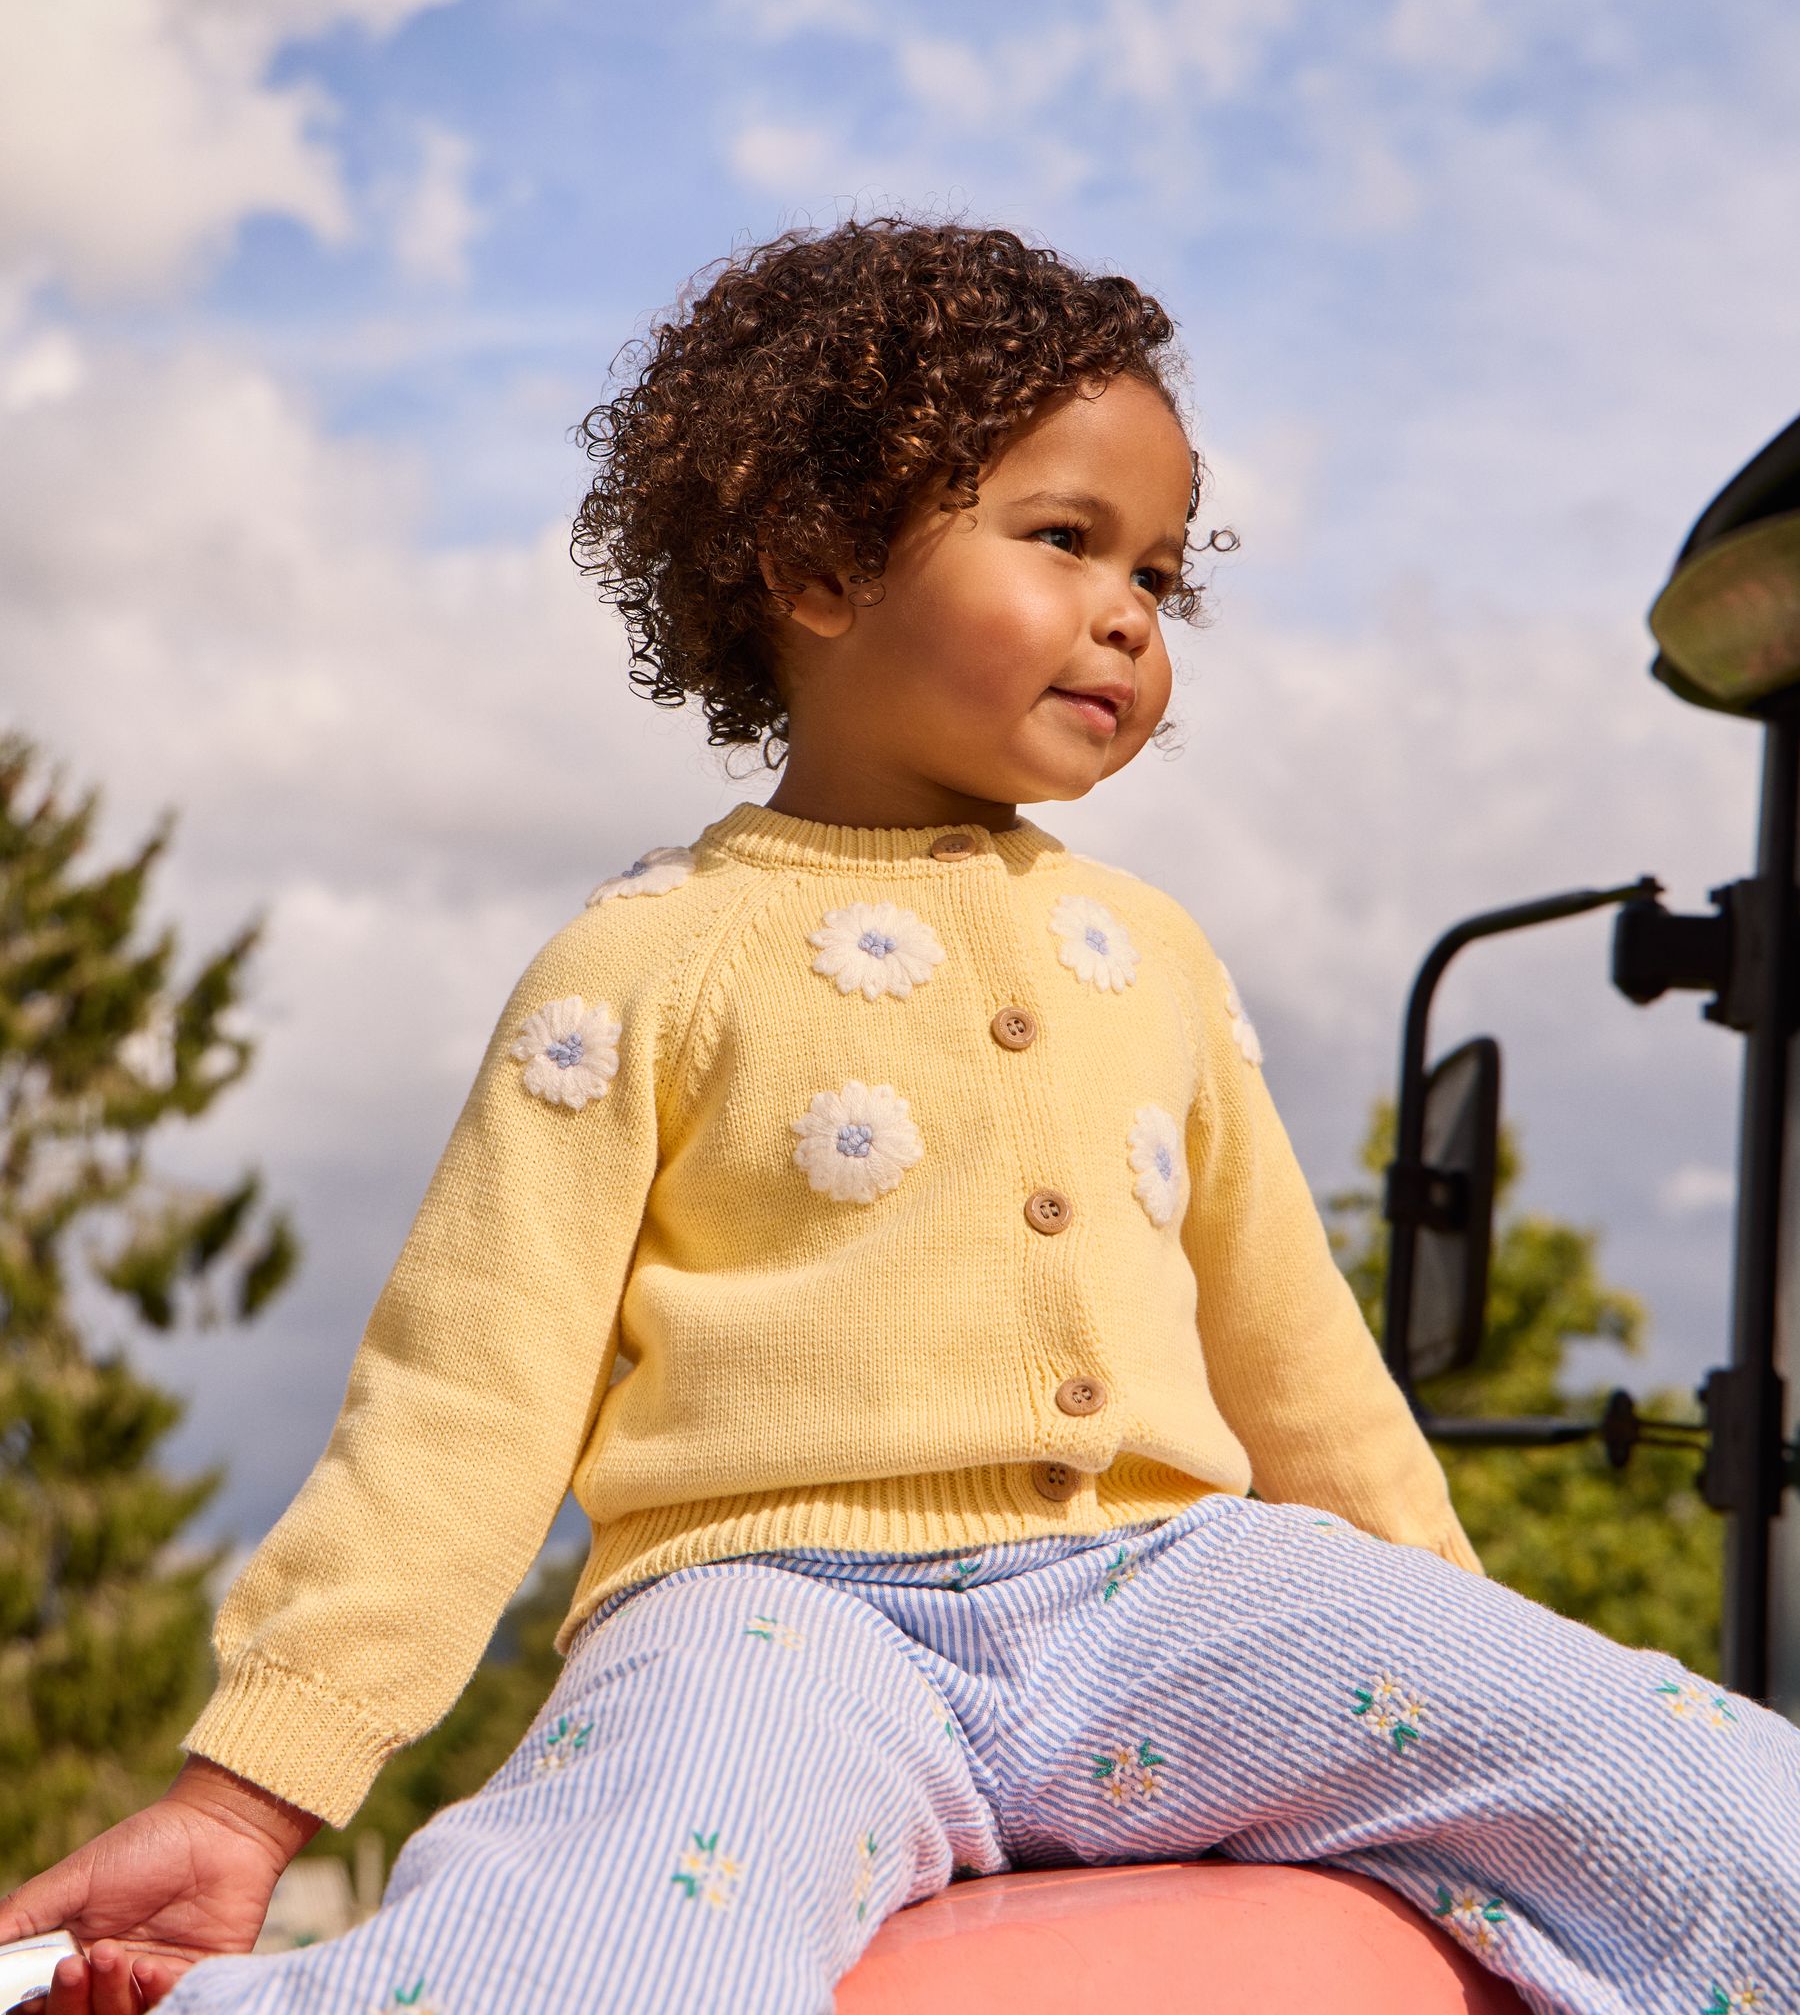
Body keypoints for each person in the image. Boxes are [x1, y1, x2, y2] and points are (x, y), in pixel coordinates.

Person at [3, 219, 1793, 2015]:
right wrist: (250, 1794)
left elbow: (1298, 1359)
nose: (1130, 614)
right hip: (779, 1617)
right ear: (821, 563)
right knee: (599, 1949)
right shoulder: (637, 967)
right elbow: (460, 1405)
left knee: (1726, 1807)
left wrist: (1456, 1635)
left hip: (1173, 1589)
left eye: (1160, 575)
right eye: (1068, 540)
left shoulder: (1152, 956)